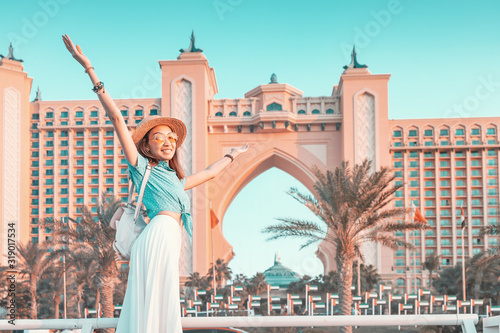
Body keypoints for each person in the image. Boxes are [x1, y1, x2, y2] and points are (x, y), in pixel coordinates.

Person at [62, 34, 248, 333]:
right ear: (146, 147)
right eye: (159, 138)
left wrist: (233, 155)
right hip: (158, 233)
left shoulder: (175, 179)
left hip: (169, 235)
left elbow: (210, 173)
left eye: (171, 139)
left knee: (161, 299)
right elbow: (117, 120)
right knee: (155, 296)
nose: (167, 142)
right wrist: (89, 69)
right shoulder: (140, 167)